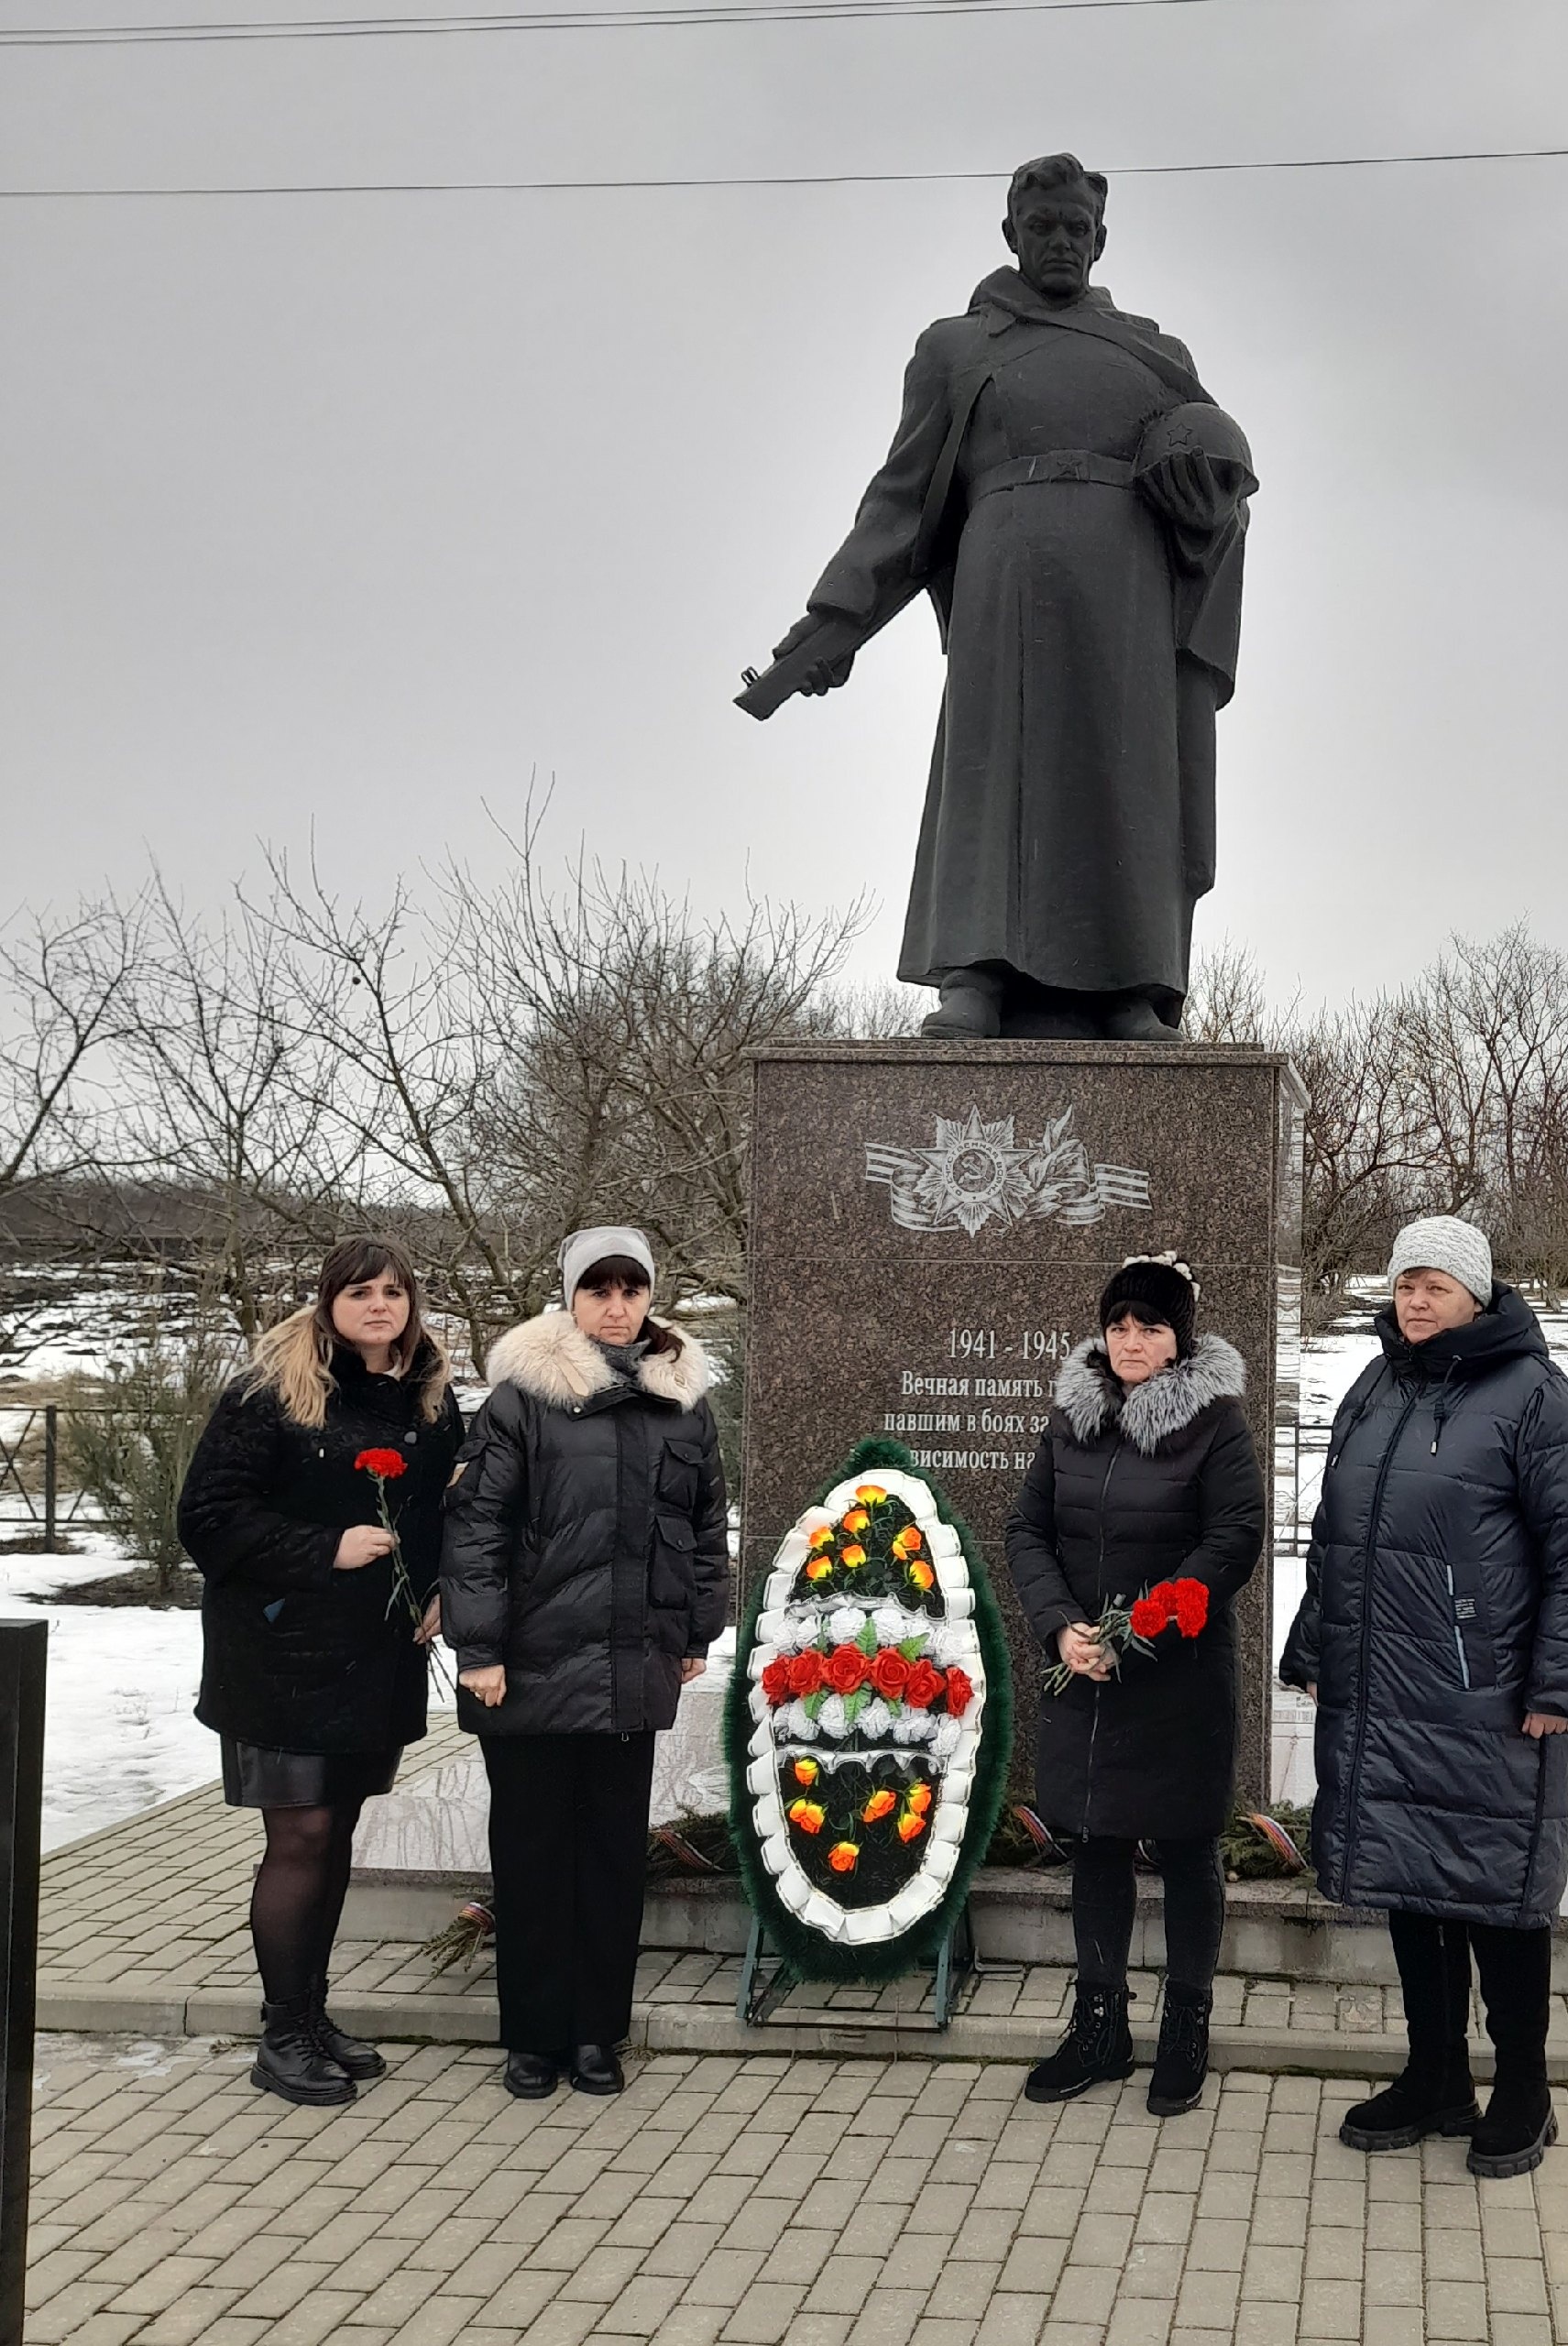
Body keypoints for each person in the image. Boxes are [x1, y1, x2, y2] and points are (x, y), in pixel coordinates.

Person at [750, 152, 1255, 1041]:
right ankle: (974, 975)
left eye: (1077, 229)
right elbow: (901, 498)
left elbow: (1217, 487)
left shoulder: (1155, 353)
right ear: (1011, 233)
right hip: (1006, 579)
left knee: (1126, 774)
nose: (1060, 242)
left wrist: (1209, 489)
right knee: (995, 772)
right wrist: (838, 617)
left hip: (1128, 589)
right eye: (1042, 226)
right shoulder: (956, 347)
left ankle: (1129, 986)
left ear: (1101, 241)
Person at [1280, 1215, 1568, 2177]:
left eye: (1433, 1283)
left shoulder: (1535, 1398)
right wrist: (1314, 1641)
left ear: (1476, 1291)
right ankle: (1434, 2074)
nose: (1414, 1299)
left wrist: (1561, 1682)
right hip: (1381, 1687)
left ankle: (1523, 2088)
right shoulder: (1377, 1385)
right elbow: (1340, 1535)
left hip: (1493, 1699)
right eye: (1402, 1284)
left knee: (1499, 1897)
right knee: (1410, 1888)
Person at [440, 1227, 729, 2099]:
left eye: (629, 1289)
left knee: (609, 1861)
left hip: (630, 1670)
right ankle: (532, 2038)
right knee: (532, 1859)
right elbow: (477, 1530)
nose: (614, 1305)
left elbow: (705, 1531)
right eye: (597, 1289)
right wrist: (480, 1647)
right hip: (527, 1668)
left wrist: (693, 1636)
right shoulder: (521, 1399)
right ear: (569, 1298)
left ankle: (597, 2035)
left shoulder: (681, 1402)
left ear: (650, 1299)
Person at [180, 1235, 464, 2107]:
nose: (380, 1306)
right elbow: (208, 1518)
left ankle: (311, 2012)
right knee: (299, 1837)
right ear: (327, 1302)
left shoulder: (429, 1396)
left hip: (376, 1652)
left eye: (393, 1292)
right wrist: (323, 1548)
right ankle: (281, 2033)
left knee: (338, 1832)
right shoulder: (271, 1393)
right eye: (360, 1293)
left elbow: (436, 1507)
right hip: (280, 1650)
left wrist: (442, 1583)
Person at [1007, 1253, 1264, 2113]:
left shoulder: (1217, 1425)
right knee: (1097, 1843)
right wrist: (1061, 1627)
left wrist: (1135, 1636)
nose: (1130, 1340)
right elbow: (1027, 1528)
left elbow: (1230, 1542)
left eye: (1150, 1327)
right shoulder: (1070, 1417)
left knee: (1188, 1849)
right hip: (1085, 1671)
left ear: (1179, 1338)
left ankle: (1186, 2021)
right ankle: (1101, 2024)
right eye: (1119, 1324)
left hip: (1177, 1675)